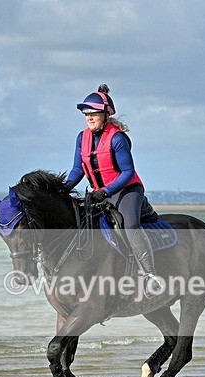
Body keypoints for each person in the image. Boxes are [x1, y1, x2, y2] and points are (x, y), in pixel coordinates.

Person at [64, 84, 163, 296]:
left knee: (130, 226)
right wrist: (63, 189)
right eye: (86, 114)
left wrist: (106, 191)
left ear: (105, 115)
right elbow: (76, 169)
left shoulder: (117, 138)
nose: (89, 118)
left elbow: (127, 172)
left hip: (126, 190)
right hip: (101, 193)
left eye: (94, 114)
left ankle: (150, 275)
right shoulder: (82, 138)